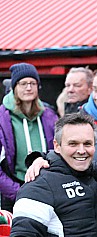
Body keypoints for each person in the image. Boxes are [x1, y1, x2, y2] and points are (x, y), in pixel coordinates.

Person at [0, 63, 58, 210]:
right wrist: (18, 192)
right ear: (14, 87)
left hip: (47, 189)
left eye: (33, 83)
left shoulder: (49, 115)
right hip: (14, 192)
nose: (28, 87)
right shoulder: (2, 118)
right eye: (23, 83)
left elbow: (59, 151)